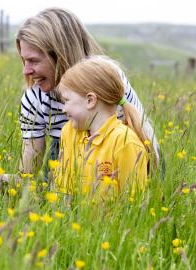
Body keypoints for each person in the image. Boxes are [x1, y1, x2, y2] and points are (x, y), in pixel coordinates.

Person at [16, 7, 158, 178]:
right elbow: (27, 173)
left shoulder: (103, 76)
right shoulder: (34, 98)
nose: (26, 71)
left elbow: (135, 146)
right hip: (69, 161)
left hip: (121, 159)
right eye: (24, 60)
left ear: (61, 55)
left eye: (33, 61)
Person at [55, 56, 149, 198]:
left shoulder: (125, 143)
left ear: (90, 100)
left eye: (67, 100)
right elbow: (63, 191)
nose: (63, 109)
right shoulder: (69, 132)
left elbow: (133, 204)